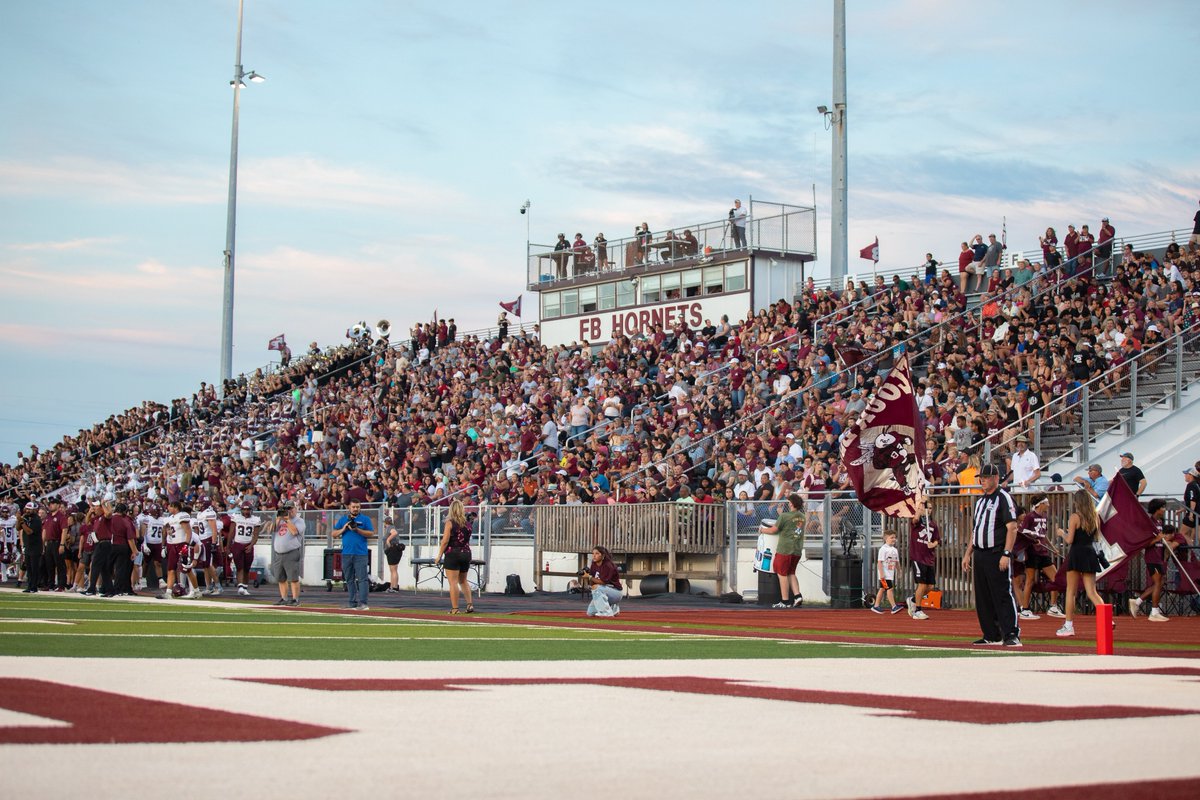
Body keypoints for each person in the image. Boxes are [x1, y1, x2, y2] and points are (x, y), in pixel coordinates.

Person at [961, 464, 1022, 646]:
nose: (983, 480)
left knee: (1002, 593)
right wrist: (967, 554)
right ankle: (991, 633)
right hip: (980, 553)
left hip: (996, 552)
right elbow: (976, 530)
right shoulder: (980, 501)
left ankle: (1011, 633)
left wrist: (1006, 553)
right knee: (983, 596)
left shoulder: (1003, 498)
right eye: (982, 477)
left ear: (996, 478)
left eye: (987, 477)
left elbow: (1012, 528)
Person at [1052, 490, 1107, 637]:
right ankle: (1107, 619)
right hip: (1090, 554)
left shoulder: (1075, 517)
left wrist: (1061, 533)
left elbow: (1070, 540)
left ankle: (1069, 625)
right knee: (1092, 591)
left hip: (1077, 554)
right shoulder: (1095, 517)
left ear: (1077, 502)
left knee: (1071, 591)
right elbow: (1097, 538)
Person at [1129, 499, 1180, 622]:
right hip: (1152, 557)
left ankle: (1137, 601)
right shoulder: (1149, 522)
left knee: (1160, 582)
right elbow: (1145, 544)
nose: (1164, 510)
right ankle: (1154, 611)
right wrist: (1157, 539)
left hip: (1159, 556)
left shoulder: (1161, 522)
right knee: (1158, 583)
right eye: (1162, 507)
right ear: (1157, 509)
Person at [1014, 494, 1062, 620]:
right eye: (1046, 502)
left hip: (1043, 552)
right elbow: (1023, 531)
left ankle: (1053, 606)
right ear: (1040, 504)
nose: (1048, 505)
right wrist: (1033, 537)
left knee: (1055, 578)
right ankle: (1025, 609)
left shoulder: (1044, 517)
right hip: (1032, 552)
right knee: (1030, 580)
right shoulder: (1030, 516)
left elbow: (1043, 535)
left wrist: (1053, 547)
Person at [758, 494, 806, 609]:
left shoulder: (784, 516)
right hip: (797, 549)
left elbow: (774, 530)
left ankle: (785, 601)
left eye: (789, 502)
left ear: (791, 503)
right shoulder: (802, 516)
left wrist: (762, 529)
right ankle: (797, 596)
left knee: (782, 574)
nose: (788, 504)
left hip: (785, 549)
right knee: (791, 572)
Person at [333, 500, 374, 611]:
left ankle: (363, 603)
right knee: (349, 579)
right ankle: (352, 602)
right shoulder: (343, 520)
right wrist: (344, 528)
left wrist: (357, 529)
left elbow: (371, 533)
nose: (355, 509)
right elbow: (333, 533)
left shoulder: (365, 519)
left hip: (360, 554)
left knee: (362, 579)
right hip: (346, 553)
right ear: (349, 508)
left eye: (357, 506)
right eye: (353, 507)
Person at [436, 499, 474, 614]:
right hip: (466, 553)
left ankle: (455, 608)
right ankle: (469, 604)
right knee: (463, 580)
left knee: (453, 582)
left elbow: (445, 541)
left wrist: (439, 555)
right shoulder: (468, 524)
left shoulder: (450, 523)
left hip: (453, 553)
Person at [905, 503, 940, 620]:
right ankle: (918, 610)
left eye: (930, 508)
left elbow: (937, 540)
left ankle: (913, 600)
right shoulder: (917, 522)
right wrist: (919, 509)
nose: (928, 510)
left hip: (929, 558)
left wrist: (933, 544)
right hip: (918, 557)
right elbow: (915, 519)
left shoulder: (933, 525)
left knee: (930, 586)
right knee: (922, 584)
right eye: (926, 508)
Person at [272, 501, 304, 606]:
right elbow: (271, 530)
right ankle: (284, 598)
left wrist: (287, 520)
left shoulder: (299, 521)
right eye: (287, 508)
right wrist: (278, 519)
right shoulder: (280, 520)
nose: (289, 511)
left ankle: (295, 599)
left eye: (291, 508)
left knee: (293, 578)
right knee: (281, 578)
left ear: (295, 508)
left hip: (291, 552)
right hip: (278, 553)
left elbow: (294, 532)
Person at [228, 502, 262, 596]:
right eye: (244, 509)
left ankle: (245, 587)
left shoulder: (255, 519)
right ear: (241, 510)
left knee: (247, 568)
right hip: (238, 544)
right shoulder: (236, 517)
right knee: (240, 567)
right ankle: (240, 586)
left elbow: (256, 535)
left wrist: (251, 545)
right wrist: (228, 547)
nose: (246, 511)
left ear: (251, 510)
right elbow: (231, 533)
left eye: (248, 509)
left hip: (248, 544)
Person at [583, 545, 623, 617]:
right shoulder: (594, 564)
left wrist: (589, 577)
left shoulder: (608, 565)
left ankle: (606, 613)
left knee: (597, 588)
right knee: (590, 613)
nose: (594, 556)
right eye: (593, 553)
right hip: (604, 591)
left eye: (597, 553)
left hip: (616, 592)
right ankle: (614, 608)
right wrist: (587, 576)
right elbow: (592, 582)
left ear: (603, 555)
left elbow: (603, 582)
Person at [870, 530, 903, 614]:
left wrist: (899, 571)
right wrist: (881, 574)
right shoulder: (883, 549)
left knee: (882, 589)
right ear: (886, 539)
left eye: (895, 537)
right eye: (891, 537)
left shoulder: (894, 550)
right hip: (884, 575)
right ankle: (894, 606)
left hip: (890, 574)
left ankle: (876, 606)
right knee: (889, 588)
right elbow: (879, 562)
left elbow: (897, 562)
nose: (894, 539)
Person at [16, 502, 42, 593]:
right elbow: (17, 528)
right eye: (27, 509)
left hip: (35, 546)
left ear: (35, 510)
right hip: (28, 546)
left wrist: (22, 522)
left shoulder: (37, 520)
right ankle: (30, 586)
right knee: (29, 568)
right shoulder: (26, 517)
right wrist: (19, 520)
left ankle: (34, 587)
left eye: (30, 509)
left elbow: (29, 532)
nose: (27, 511)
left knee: (34, 568)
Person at [382, 511, 406, 593]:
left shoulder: (390, 527)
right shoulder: (391, 527)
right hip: (393, 550)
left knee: (393, 569)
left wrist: (388, 540)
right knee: (392, 569)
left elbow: (394, 533)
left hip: (393, 550)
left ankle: (394, 586)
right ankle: (392, 586)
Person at [1181, 467, 1200, 545]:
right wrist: (1181, 510)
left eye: (1186, 474)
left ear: (1191, 475)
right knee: (1198, 536)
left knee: (1182, 534)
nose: (1185, 476)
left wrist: (1191, 514)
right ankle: (1196, 552)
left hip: (1193, 514)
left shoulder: (1191, 485)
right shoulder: (1197, 484)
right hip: (1198, 513)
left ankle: (1193, 549)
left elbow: (1193, 500)